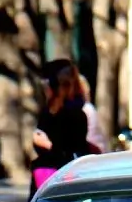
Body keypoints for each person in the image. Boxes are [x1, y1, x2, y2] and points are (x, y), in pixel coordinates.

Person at [30, 59, 95, 195]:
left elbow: (71, 149)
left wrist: (47, 144)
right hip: (46, 175)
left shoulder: (75, 113)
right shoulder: (47, 112)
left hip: (61, 177)